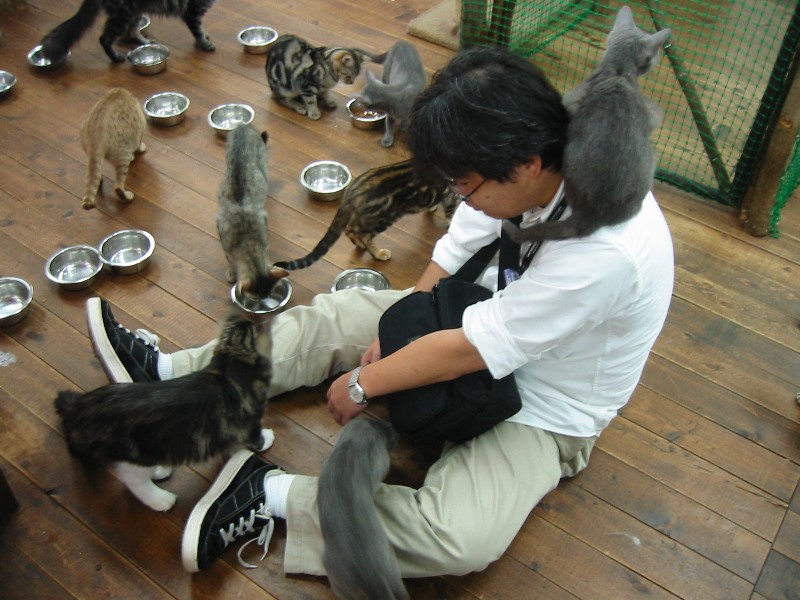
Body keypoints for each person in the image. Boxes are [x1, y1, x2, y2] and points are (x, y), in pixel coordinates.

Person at [87, 47, 674, 578]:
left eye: (465, 185)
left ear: (524, 165)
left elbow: (472, 351)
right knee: (339, 316)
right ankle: (174, 375)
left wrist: (367, 383)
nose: (461, 197)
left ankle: (268, 493)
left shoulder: (608, 250)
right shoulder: (527, 163)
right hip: (482, 313)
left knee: (460, 538)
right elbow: (460, 246)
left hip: (546, 399)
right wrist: (405, 328)